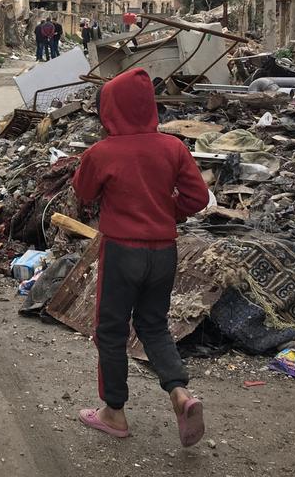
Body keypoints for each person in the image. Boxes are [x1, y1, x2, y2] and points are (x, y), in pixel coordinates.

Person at [71, 67, 210, 447]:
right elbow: (198, 199)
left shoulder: (102, 152)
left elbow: (84, 192)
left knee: (111, 331)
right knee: (152, 325)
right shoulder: (173, 147)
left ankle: (113, 412)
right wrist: (169, 212)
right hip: (164, 252)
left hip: (121, 252)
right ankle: (180, 393)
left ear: (110, 110)